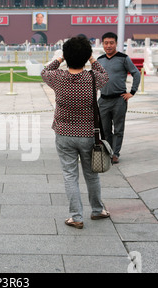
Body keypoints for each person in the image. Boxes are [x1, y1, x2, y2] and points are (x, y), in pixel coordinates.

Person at [41, 36, 110, 229]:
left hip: (64, 133)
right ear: (86, 55)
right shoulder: (93, 78)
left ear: (66, 55)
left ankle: (76, 216)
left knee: (70, 175)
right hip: (89, 134)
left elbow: (44, 71)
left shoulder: (58, 78)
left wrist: (61, 58)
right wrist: (93, 59)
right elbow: (105, 74)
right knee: (92, 175)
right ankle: (97, 210)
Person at [98, 32, 141, 164]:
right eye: (106, 43)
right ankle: (107, 151)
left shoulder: (123, 58)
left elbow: (136, 73)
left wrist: (132, 92)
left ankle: (115, 154)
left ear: (116, 44)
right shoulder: (99, 60)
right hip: (103, 100)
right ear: (103, 44)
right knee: (104, 129)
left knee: (118, 129)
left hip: (119, 100)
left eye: (111, 43)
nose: (109, 45)